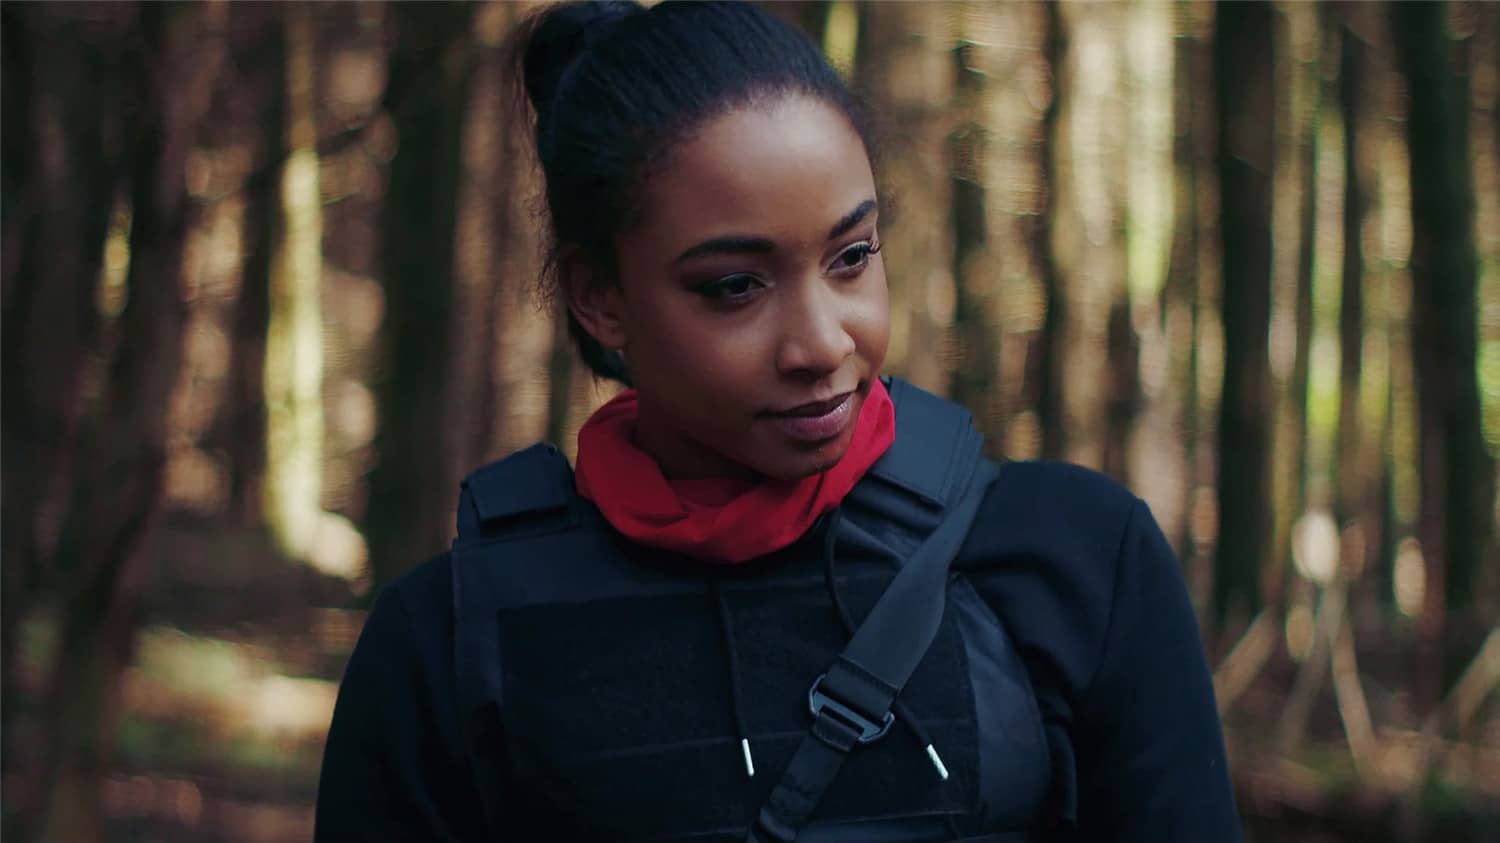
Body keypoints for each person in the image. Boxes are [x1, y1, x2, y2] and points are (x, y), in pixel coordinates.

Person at [314, 2, 1241, 841]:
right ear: (600, 296)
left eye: (852, 256)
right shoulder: (445, 641)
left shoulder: (1074, 561)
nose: (821, 342)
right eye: (735, 286)